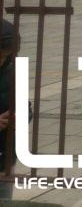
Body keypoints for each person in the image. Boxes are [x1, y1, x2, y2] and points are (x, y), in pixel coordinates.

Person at [0, 19, 21, 199]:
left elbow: (26, 107)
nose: (2, 61)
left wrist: (20, 115)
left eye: (5, 56)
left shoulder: (12, 70)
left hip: (4, 155)